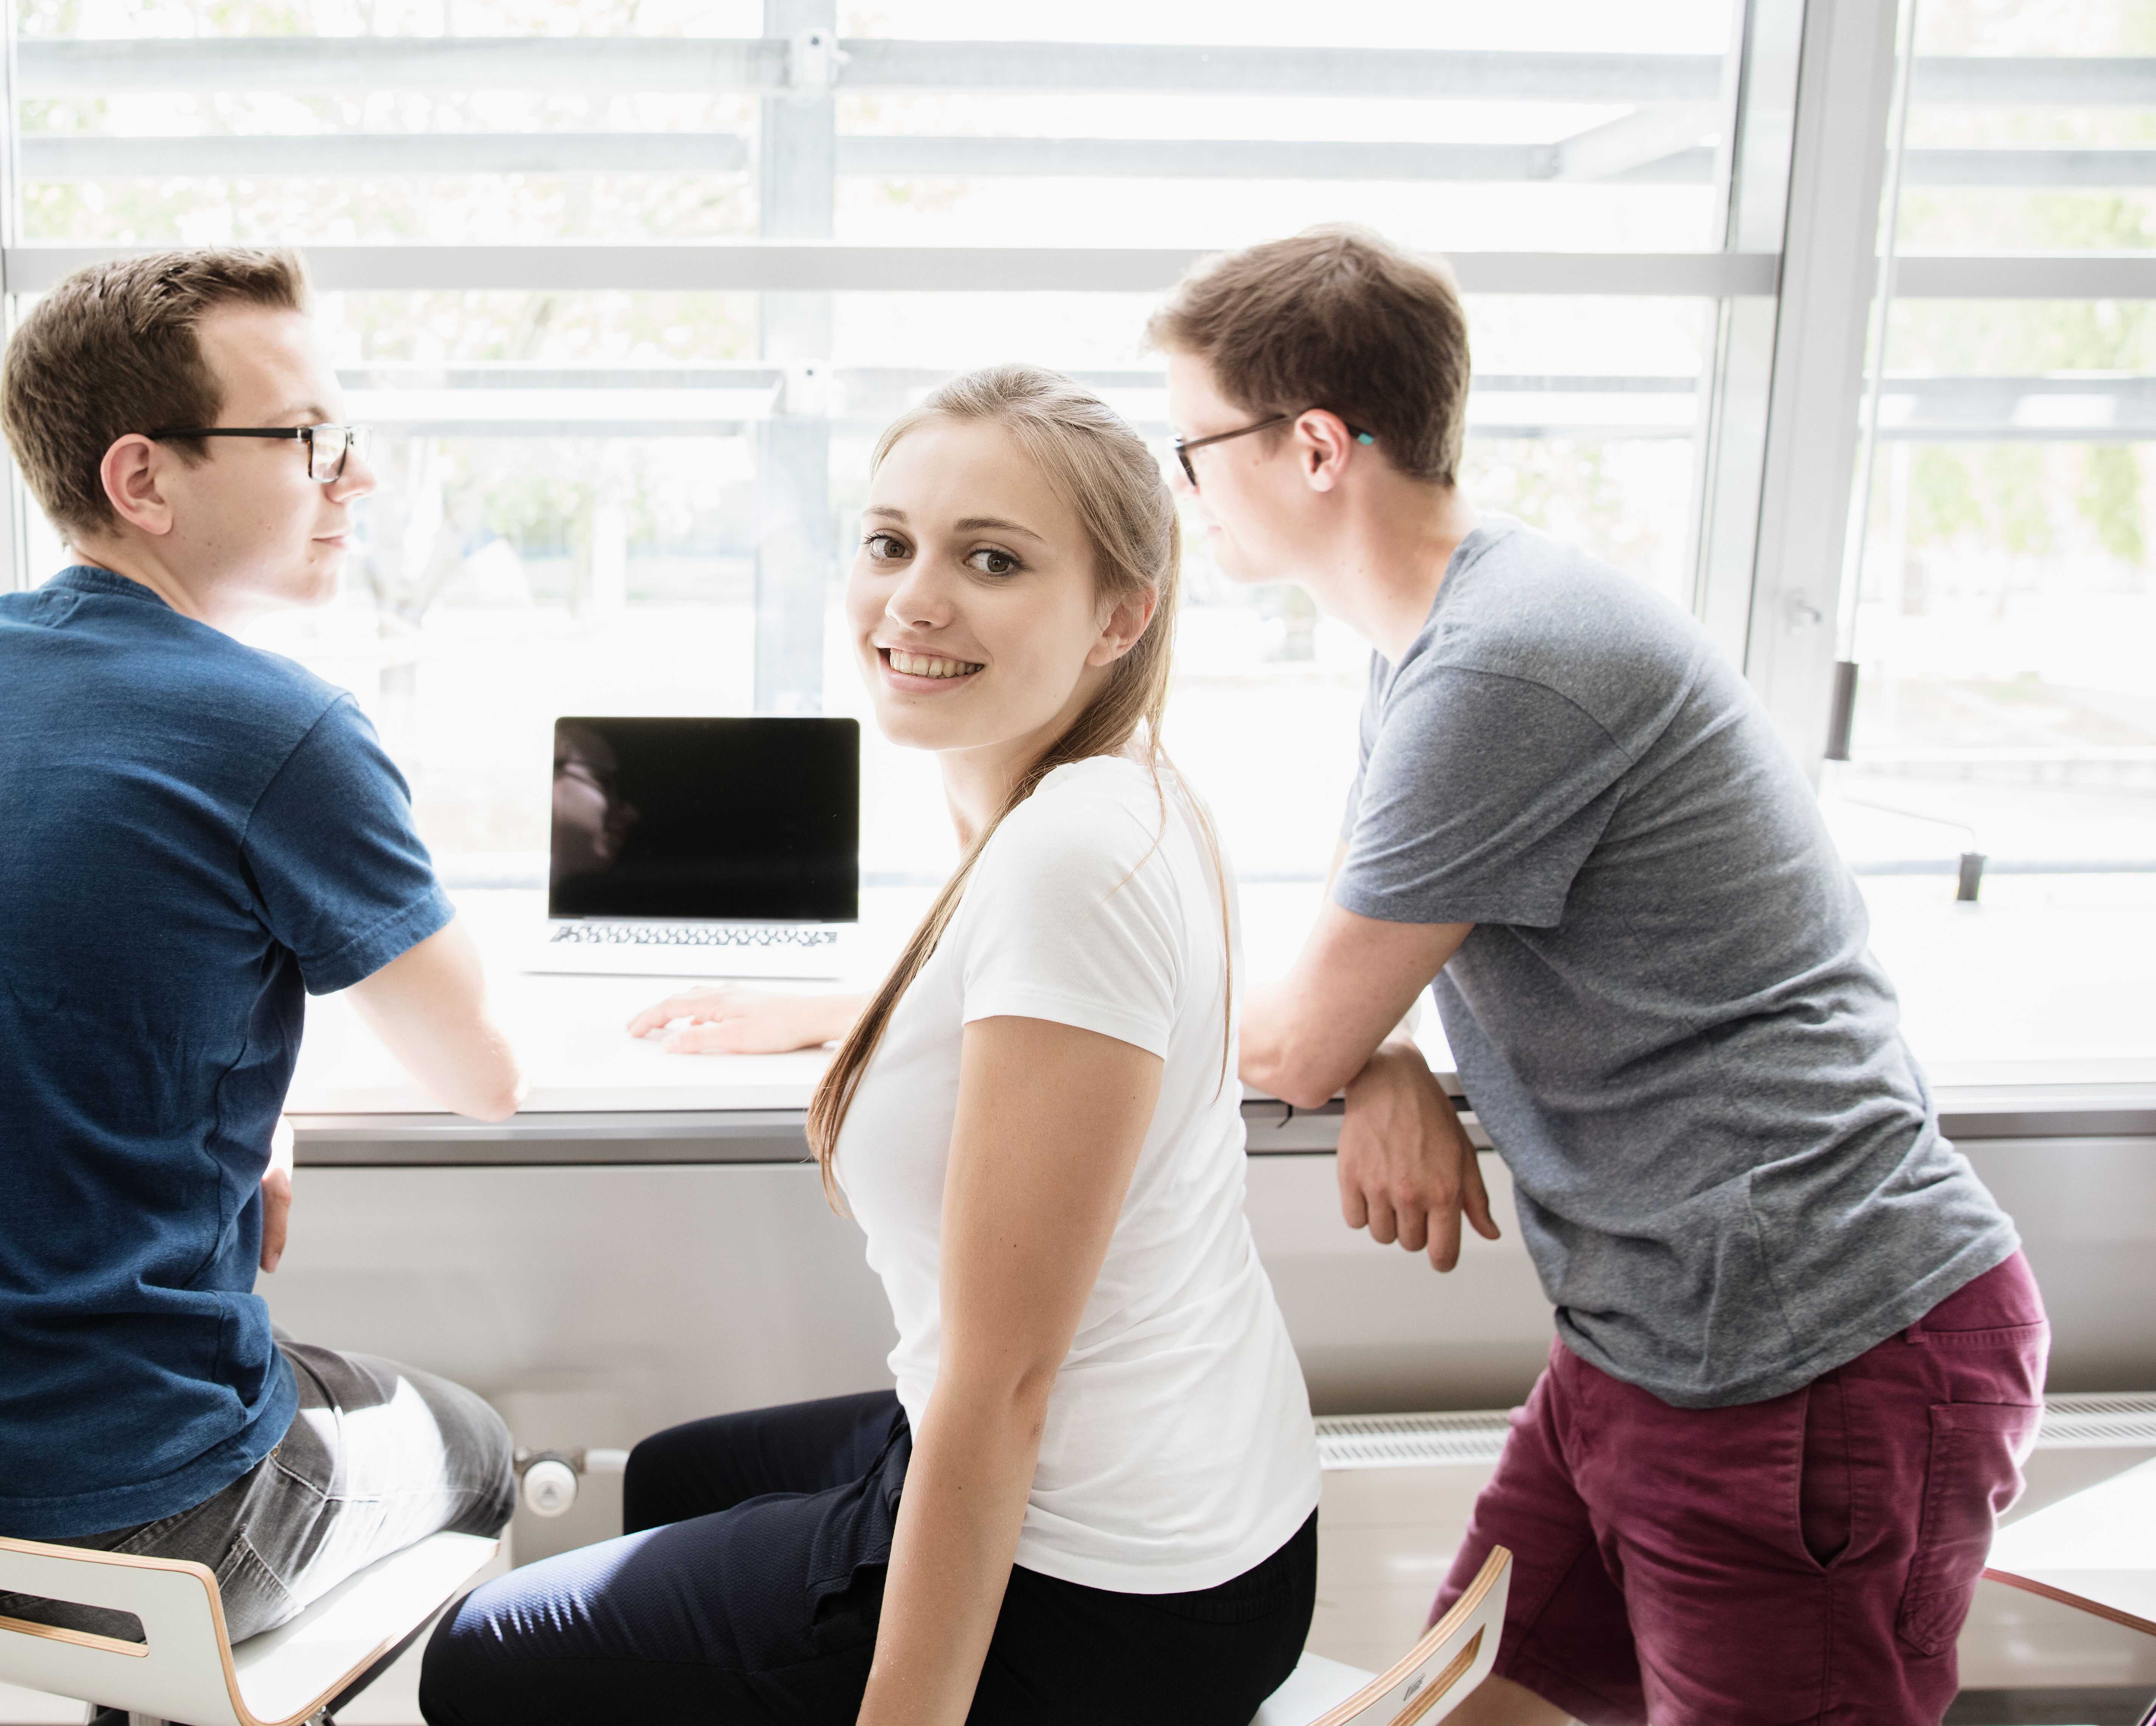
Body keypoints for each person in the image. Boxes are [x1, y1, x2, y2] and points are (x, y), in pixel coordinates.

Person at [1168, 226, 2038, 1726]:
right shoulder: (1438, 651)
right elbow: (1336, 1000)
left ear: (1310, 446)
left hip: (1806, 1347)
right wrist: (1377, 1060)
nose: (1176, 487)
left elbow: (1298, 1028)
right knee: (1452, 1705)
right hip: (1652, 1343)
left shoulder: (1504, 669)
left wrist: (1347, 1049)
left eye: (1187, 446)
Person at [421, 367, 1323, 1726]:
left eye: (993, 560)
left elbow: (1002, 1382)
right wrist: (860, 1012)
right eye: (890, 542)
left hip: (1103, 1596)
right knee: (670, 1474)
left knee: (479, 1659)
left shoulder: (1069, 858)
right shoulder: (1110, 790)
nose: (913, 599)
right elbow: (1055, 1038)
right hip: (1217, 1511)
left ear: (1119, 613)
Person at [0, 248, 523, 1647]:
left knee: (285, 1372)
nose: (353, 478)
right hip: (127, 1514)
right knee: (471, 1442)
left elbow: (46, 961)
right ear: (141, 479)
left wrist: (254, 1092)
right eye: (306, 440)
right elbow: (484, 1071)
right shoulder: (282, 727)